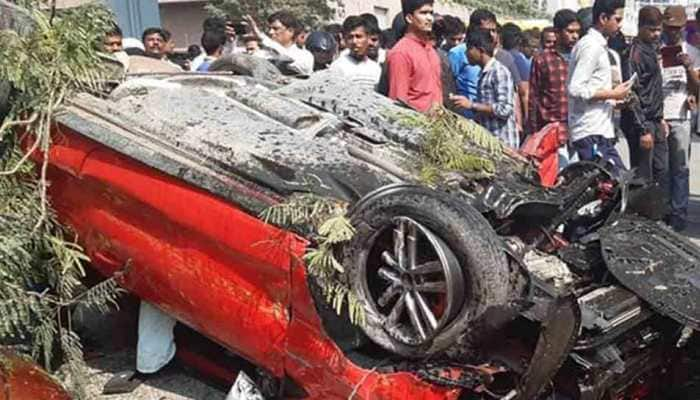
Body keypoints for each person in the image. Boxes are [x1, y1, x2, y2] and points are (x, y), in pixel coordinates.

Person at [567, 0, 631, 171]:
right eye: (617, 19)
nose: (620, 24)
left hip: (600, 130)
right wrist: (613, 94)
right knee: (616, 184)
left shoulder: (600, 46)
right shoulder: (590, 46)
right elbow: (576, 88)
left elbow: (594, 88)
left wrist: (617, 100)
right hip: (590, 131)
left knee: (614, 189)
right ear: (603, 18)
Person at [661, 6, 700, 231]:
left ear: (683, 27)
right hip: (660, 116)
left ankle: (679, 214)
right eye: (669, 27)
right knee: (662, 169)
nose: (673, 32)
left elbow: (697, 87)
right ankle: (663, 212)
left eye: (677, 28)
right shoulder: (657, 49)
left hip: (681, 117)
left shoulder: (693, 53)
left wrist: (688, 68)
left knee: (681, 168)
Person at [621, 6, 667, 187]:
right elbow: (632, 92)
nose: (656, 34)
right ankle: (639, 214)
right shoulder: (634, 54)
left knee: (661, 171)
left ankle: (657, 213)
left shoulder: (652, 50)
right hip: (641, 123)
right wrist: (643, 130)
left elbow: (654, 88)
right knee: (642, 178)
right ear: (640, 27)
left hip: (655, 120)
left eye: (658, 29)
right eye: (651, 29)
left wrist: (660, 119)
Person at [450, 29, 517, 148]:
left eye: (469, 49)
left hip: (502, 143)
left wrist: (471, 105)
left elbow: (505, 109)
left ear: (481, 50)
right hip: (490, 142)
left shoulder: (498, 72)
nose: (466, 53)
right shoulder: (483, 73)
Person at [528, 9, 580, 135]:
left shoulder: (580, 57)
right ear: (557, 32)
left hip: (578, 130)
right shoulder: (542, 59)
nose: (575, 36)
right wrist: (533, 131)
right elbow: (534, 96)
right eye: (570, 31)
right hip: (551, 130)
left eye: (577, 32)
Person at [386, 0, 442, 112]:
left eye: (431, 13)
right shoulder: (401, 53)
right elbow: (398, 102)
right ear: (409, 18)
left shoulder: (430, 50)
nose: (430, 18)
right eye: (423, 13)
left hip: (437, 125)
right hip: (416, 125)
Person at [448, 9, 494, 119]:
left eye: (493, 30)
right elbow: (450, 84)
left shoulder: (493, 52)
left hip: (487, 116)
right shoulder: (458, 53)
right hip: (467, 117)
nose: (491, 34)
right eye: (487, 30)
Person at [244, 11, 314, 75]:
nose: (270, 32)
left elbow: (291, 60)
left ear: (290, 31)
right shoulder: (261, 55)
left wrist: (263, 38)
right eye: (269, 28)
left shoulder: (305, 56)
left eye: (276, 29)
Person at [330, 16, 381, 88]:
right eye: (350, 37)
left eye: (359, 36)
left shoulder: (376, 68)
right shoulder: (338, 67)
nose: (354, 41)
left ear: (368, 38)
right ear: (345, 39)